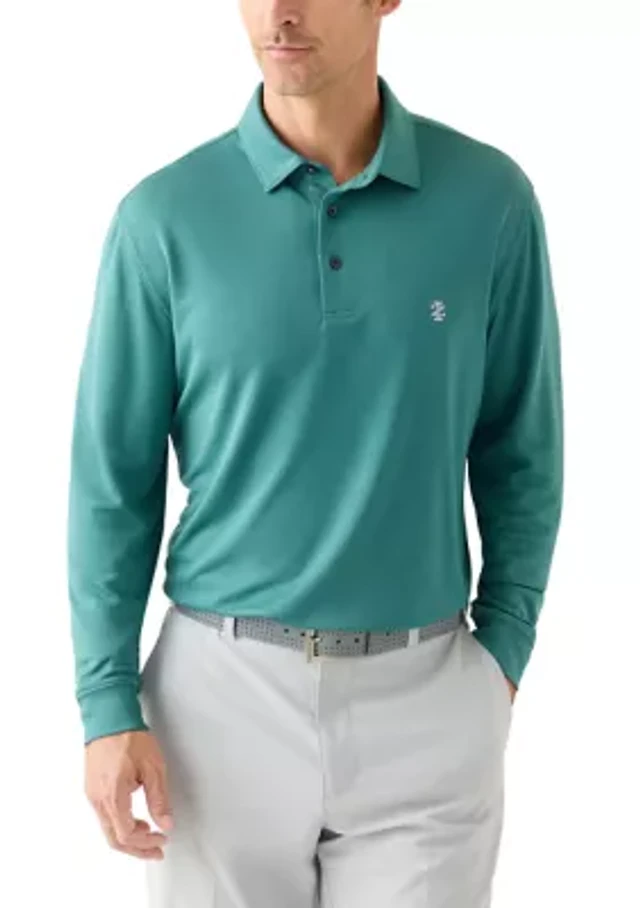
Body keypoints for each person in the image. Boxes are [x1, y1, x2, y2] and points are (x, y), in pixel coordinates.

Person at [67, 1, 564, 904]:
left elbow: (521, 446)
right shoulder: (164, 218)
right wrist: (106, 705)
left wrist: (504, 650)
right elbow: (114, 482)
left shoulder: (488, 201)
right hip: (216, 708)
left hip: (429, 698)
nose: (279, 12)